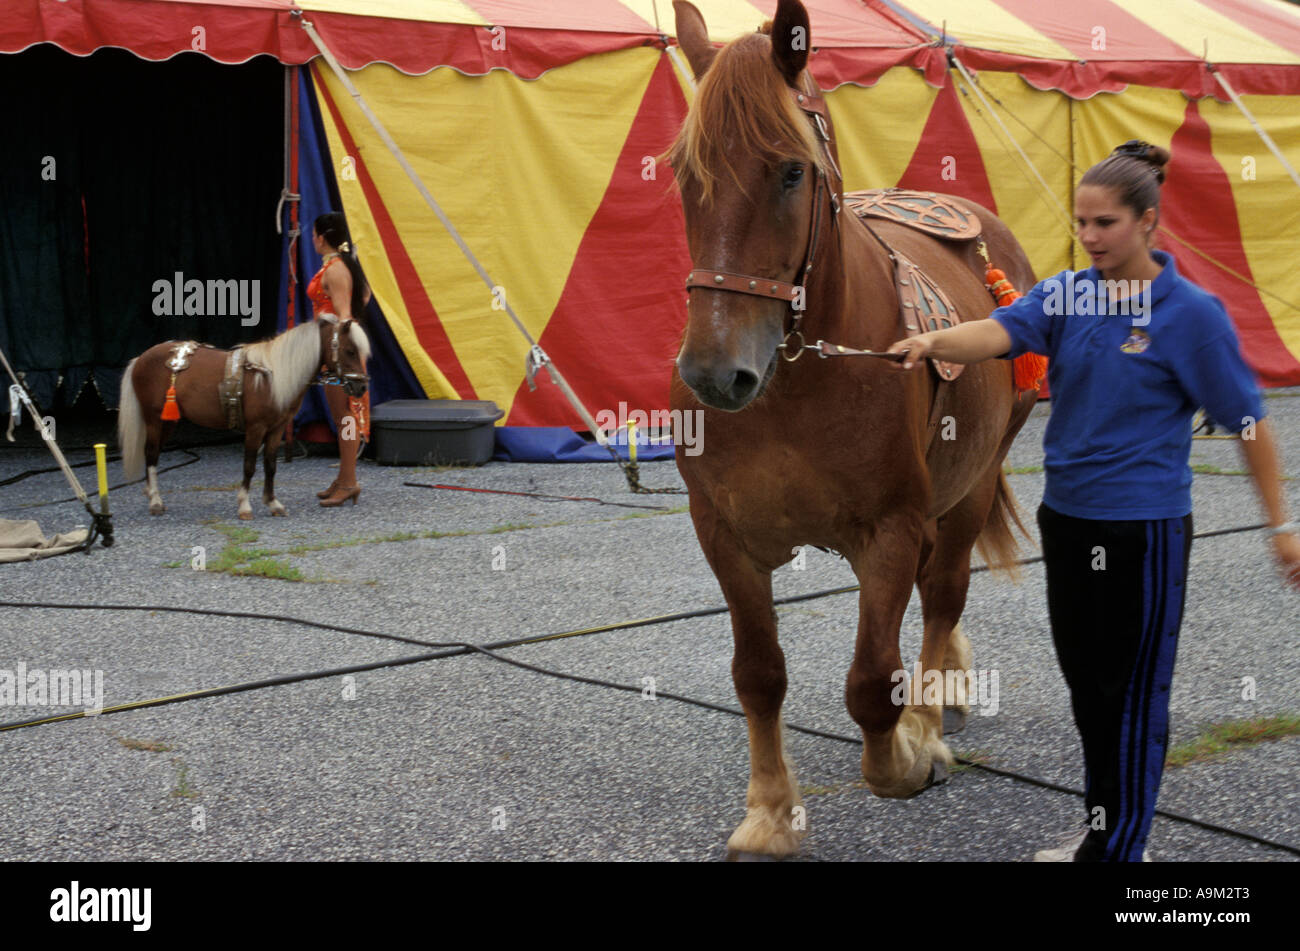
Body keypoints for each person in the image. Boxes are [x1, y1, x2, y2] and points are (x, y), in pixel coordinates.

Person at [885, 141, 1300, 862]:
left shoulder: (1190, 314)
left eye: (1106, 222)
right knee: (1090, 692)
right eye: (1081, 221)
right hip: (1069, 524)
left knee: (1133, 695)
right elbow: (1001, 331)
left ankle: (1118, 852)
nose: (1091, 235)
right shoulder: (1069, 293)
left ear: (1148, 223)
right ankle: (1105, 828)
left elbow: (1249, 422)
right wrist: (931, 338)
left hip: (1145, 531)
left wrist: (1282, 524)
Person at [308, 212, 372, 507]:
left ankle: (349, 482)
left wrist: (334, 343)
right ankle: (344, 477)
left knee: (345, 416)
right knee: (344, 416)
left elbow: (345, 315)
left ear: (321, 238)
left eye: (313, 235)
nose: (312, 240)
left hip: (339, 354)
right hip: (338, 351)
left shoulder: (335, 270)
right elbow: (365, 297)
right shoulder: (346, 266)